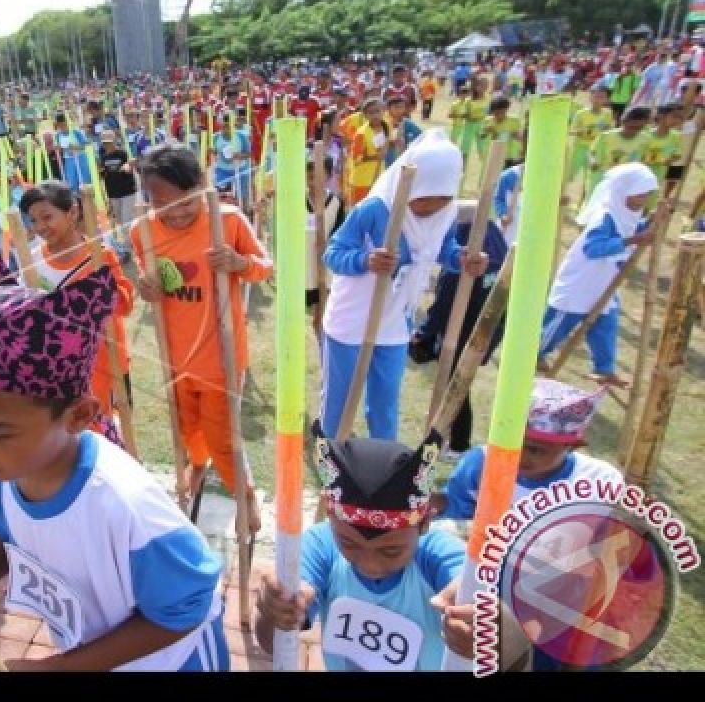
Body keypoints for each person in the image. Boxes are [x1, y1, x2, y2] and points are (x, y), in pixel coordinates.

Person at [0, 245, 228, 670]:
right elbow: (11, 539)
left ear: (79, 415)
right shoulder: (1, 474)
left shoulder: (125, 507)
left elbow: (186, 609)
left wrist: (59, 667)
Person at [255, 434, 494, 672]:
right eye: (349, 544)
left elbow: (470, 580)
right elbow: (274, 646)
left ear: (424, 524)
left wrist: (477, 608)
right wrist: (275, 613)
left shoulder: (436, 554)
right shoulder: (320, 545)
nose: (371, 567)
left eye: (390, 551)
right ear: (330, 517)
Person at [131, 146, 271, 531]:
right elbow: (146, 277)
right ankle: (196, 465)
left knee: (223, 434)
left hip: (220, 357)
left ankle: (244, 494)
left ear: (203, 186)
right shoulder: (141, 229)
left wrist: (240, 264)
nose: (175, 213)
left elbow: (265, 267)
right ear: (148, 198)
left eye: (186, 203)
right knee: (186, 426)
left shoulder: (226, 221)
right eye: (163, 204)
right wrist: (146, 287)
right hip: (174, 356)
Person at [320, 131, 487, 441]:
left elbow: (441, 248)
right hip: (351, 317)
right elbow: (332, 253)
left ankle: (383, 457)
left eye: (441, 200)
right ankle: (330, 452)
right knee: (339, 401)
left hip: (395, 323)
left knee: (384, 404)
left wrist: (462, 260)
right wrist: (365, 260)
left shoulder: (446, 214)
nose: (429, 208)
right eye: (423, 199)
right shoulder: (374, 209)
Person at [19, 180, 133, 446]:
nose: (40, 227)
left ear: (72, 213)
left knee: (109, 433)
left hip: (105, 362)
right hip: (60, 364)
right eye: (33, 220)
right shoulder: (32, 259)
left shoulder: (99, 256)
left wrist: (98, 287)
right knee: (73, 434)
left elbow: (125, 305)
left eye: (47, 217)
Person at [435, 378, 621, 523]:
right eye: (509, 442)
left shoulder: (598, 481)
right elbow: (453, 513)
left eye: (534, 450)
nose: (515, 455)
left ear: (571, 446)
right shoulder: (481, 464)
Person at [539, 163, 658, 386]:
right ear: (623, 192)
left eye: (647, 194)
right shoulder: (604, 216)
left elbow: (629, 230)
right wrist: (631, 241)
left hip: (603, 282)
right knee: (558, 325)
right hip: (582, 281)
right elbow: (593, 248)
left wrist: (649, 224)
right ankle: (535, 355)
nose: (643, 199)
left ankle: (604, 368)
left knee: (606, 324)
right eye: (639, 194)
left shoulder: (628, 214)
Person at [408, 201, 509, 459]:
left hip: (460, 331)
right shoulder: (499, 250)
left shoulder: (468, 255)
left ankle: (458, 445)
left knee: (456, 386)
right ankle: (454, 442)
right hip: (488, 330)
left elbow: (445, 299)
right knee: (461, 383)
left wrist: (426, 331)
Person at [97, 130, 138, 261]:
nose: (107, 145)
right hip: (113, 193)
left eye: (109, 142)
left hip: (127, 192)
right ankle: (132, 242)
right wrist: (100, 172)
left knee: (126, 220)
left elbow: (129, 167)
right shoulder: (103, 158)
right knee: (120, 221)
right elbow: (103, 175)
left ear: (114, 140)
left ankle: (126, 250)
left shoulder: (122, 153)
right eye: (105, 143)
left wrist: (128, 167)